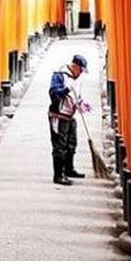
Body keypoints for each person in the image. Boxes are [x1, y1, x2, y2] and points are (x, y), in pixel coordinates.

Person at [48, 53, 91, 185]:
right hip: (59, 116)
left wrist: (80, 103)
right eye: (81, 70)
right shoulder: (59, 75)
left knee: (71, 143)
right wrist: (65, 89)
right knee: (60, 146)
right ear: (75, 66)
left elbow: (75, 95)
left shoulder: (76, 79)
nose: (81, 73)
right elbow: (54, 94)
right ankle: (58, 175)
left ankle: (69, 169)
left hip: (70, 116)